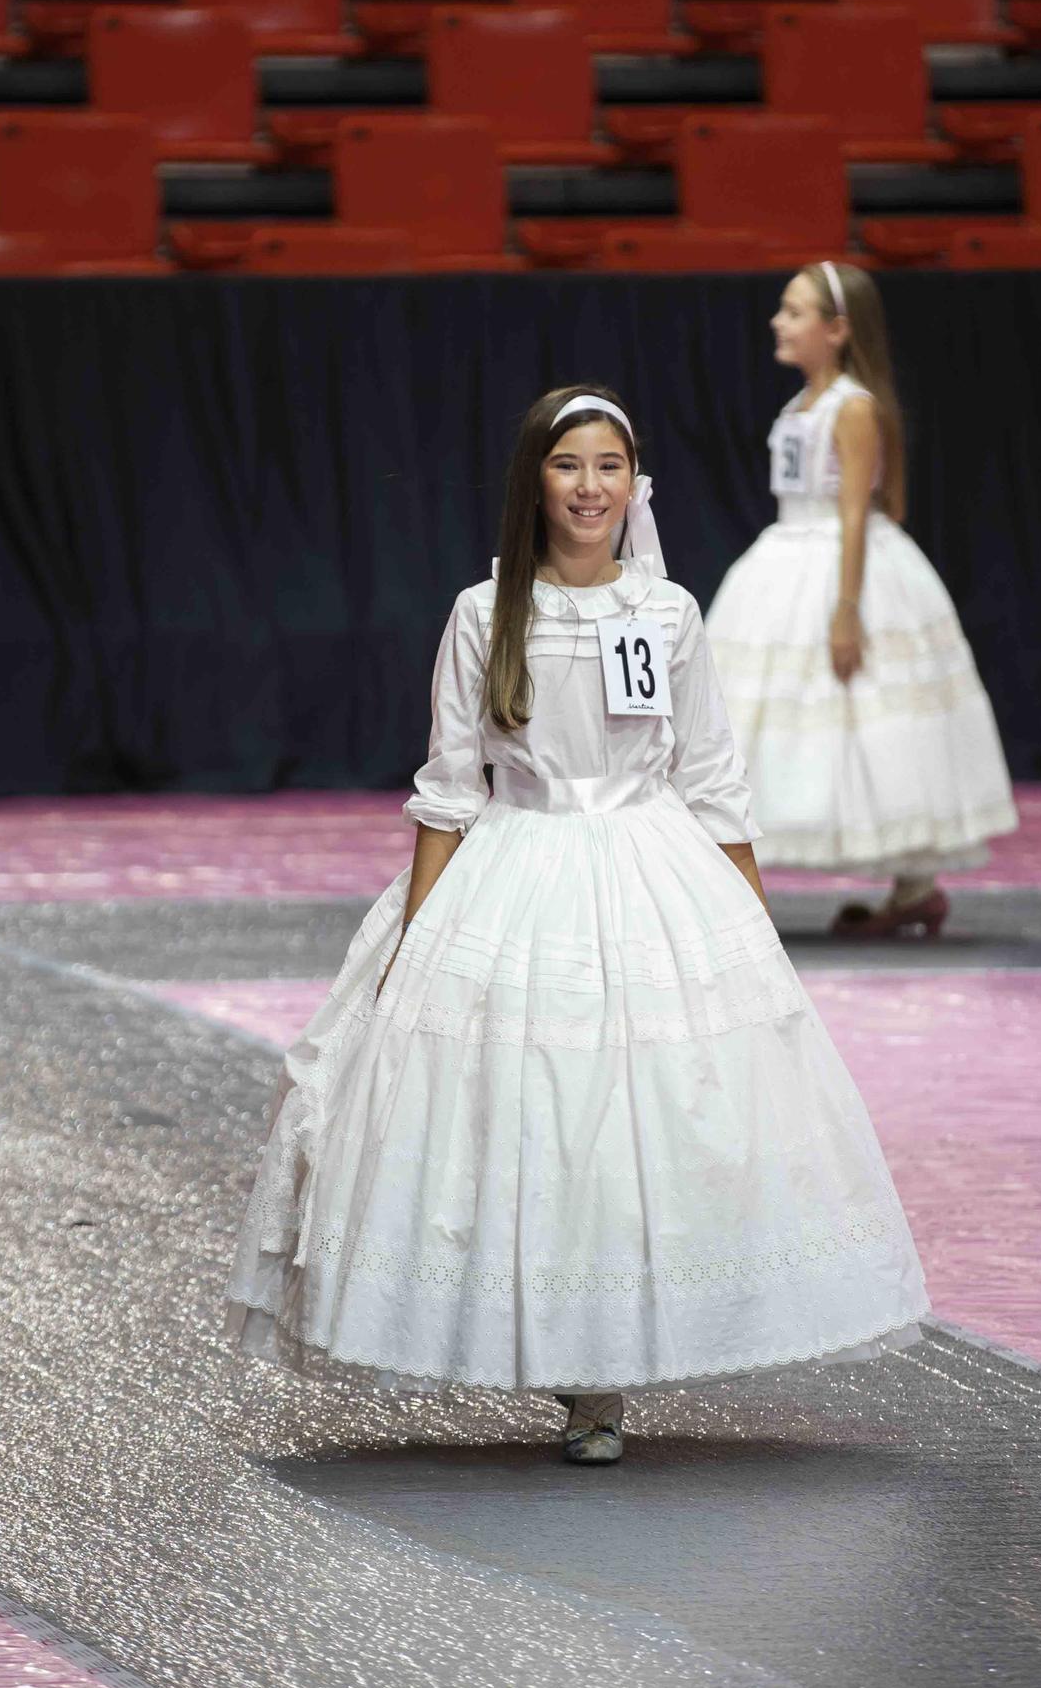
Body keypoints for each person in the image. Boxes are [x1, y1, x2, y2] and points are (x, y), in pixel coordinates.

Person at [224, 385, 930, 1465]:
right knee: (530, 1120)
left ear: (633, 481)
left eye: (609, 465)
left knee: (632, 1123)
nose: (590, 485)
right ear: (534, 482)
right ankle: (565, 1350)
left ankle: (603, 1372)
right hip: (519, 872)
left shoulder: (668, 613)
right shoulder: (485, 611)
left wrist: (750, 940)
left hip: (651, 877)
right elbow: (449, 786)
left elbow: (711, 778)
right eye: (568, 466)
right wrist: (412, 943)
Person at [705, 262, 1018, 937]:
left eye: (794, 312)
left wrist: (845, 610)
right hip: (784, 556)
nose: (778, 322)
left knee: (871, 714)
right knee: (762, 711)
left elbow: (854, 514)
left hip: (838, 565)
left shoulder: (852, 406)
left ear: (836, 328)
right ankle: (737, 876)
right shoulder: (801, 405)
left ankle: (912, 883)